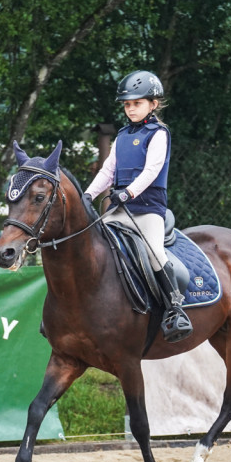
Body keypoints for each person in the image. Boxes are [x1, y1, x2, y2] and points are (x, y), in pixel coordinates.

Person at [83, 70, 193, 343]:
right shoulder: (121, 136)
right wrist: (87, 195)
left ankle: (175, 309)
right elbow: (108, 171)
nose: (131, 109)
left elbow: (152, 170)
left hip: (147, 210)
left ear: (153, 104)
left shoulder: (159, 133)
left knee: (155, 253)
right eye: (127, 104)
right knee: (92, 245)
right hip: (119, 210)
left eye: (137, 103)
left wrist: (128, 192)